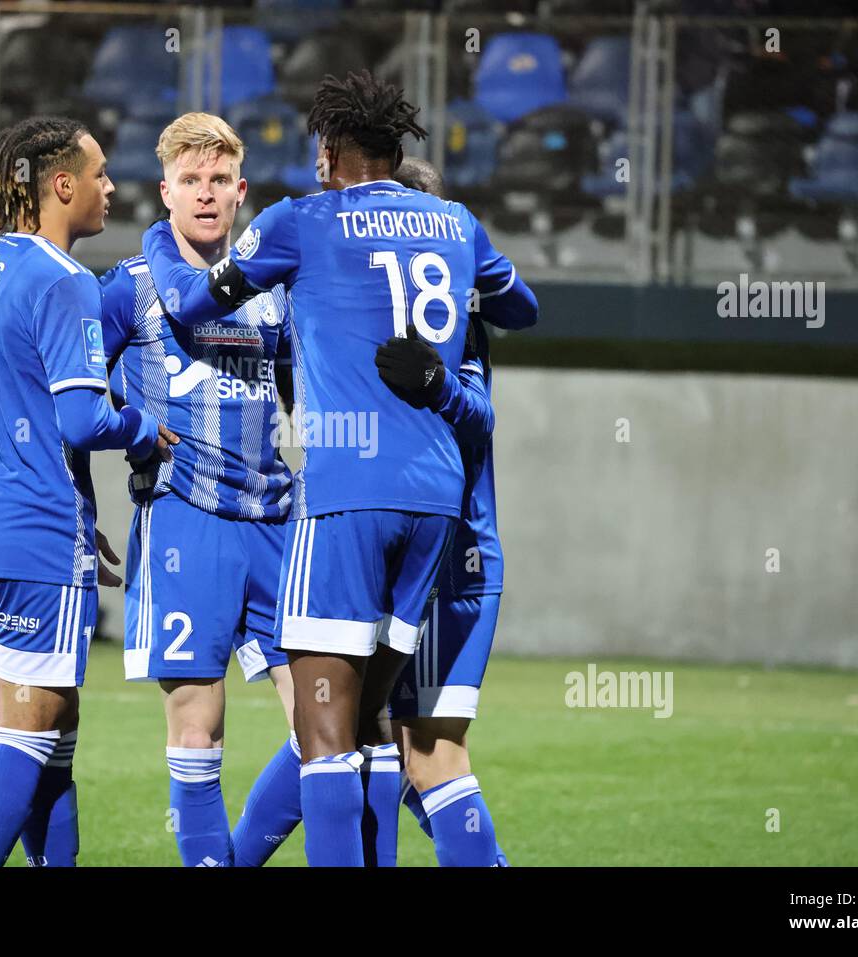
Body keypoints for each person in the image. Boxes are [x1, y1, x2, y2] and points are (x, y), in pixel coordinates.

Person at [138, 71, 538, 865]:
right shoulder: (456, 224)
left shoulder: (301, 221)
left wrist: (157, 239)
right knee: (384, 727)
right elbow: (523, 307)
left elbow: (189, 306)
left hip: (348, 498)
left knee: (323, 735)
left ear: (329, 151)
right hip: (439, 505)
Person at [0, 115, 176, 867]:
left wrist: (80, 515)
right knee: (29, 732)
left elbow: (10, 412)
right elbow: (82, 416)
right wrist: (142, 430)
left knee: (55, 726)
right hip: (32, 531)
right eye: (100, 174)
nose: (110, 187)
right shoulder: (64, 279)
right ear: (61, 185)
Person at [99, 113, 299, 867]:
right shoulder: (127, 290)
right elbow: (74, 396)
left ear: (241, 191)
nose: (207, 194)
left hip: (277, 522)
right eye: (191, 180)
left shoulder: (275, 290)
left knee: (325, 727)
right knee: (196, 728)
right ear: (166, 191)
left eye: (220, 180)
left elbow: (299, 396)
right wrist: (82, 508)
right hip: (186, 522)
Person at [386, 156, 515, 866]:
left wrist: (434, 383)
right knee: (389, 752)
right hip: (414, 557)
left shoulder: (451, 322)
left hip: (451, 559)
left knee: (431, 754)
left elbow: (479, 417)